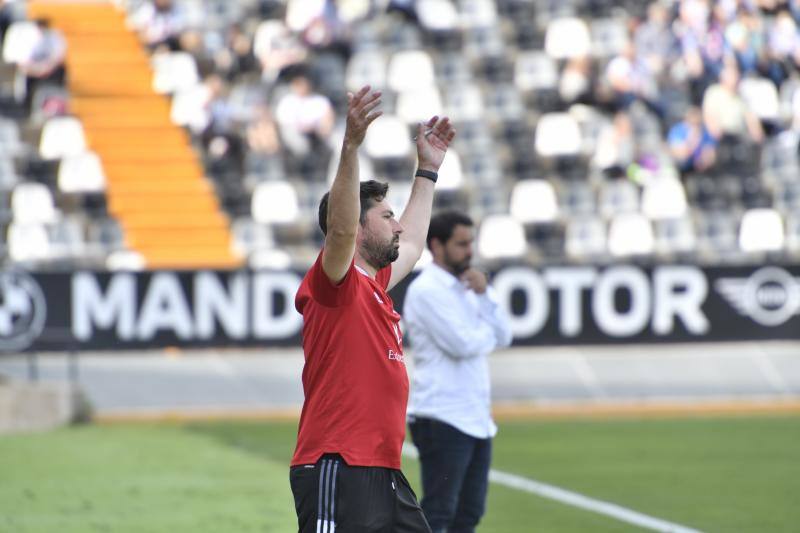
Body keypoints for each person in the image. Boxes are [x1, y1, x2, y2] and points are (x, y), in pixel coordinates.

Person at [289, 85, 456, 532]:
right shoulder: (336, 283)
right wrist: (350, 146)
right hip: (338, 464)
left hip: (383, 469)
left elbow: (416, 243)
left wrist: (428, 171)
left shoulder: (375, 283)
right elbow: (340, 232)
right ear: (358, 230)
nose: (397, 223)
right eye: (385, 216)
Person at [405, 211, 513, 533]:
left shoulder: (470, 286)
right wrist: (486, 330)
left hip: (474, 417)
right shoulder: (426, 290)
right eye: (461, 244)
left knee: (469, 513)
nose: (469, 251)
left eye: (471, 243)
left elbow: (505, 335)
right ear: (436, 246)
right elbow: (462, 344)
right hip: (441, 416)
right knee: (440, 513)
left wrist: (484, 296)